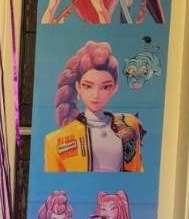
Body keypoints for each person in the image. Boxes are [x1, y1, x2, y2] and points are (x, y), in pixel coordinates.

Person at [43, 41, 145, 172]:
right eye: (88, 86)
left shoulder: (129, 124)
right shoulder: (55, 140)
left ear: (115, 88)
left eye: (105, 87)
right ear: (78, 87)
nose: (96, 95)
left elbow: (138, 172)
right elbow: (54, 185)